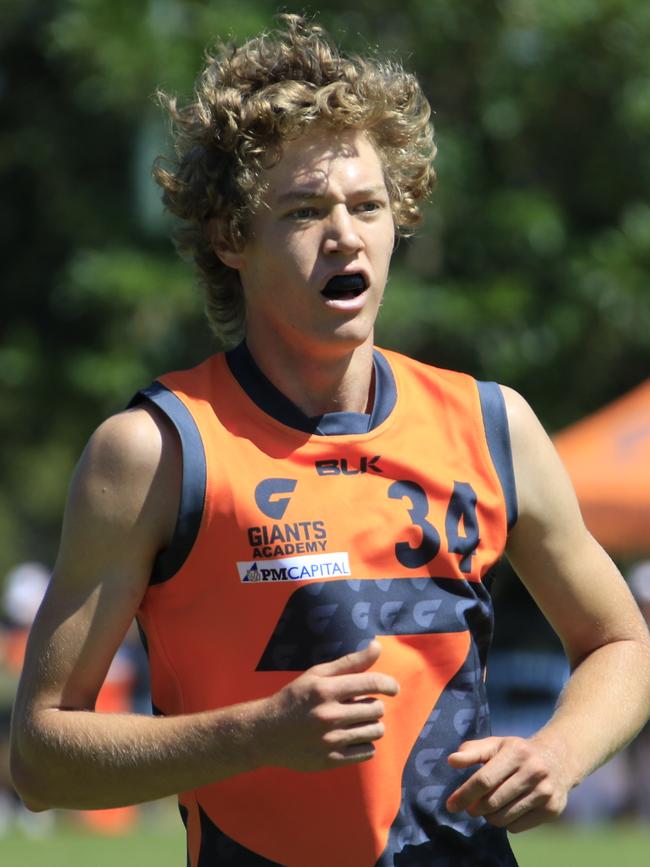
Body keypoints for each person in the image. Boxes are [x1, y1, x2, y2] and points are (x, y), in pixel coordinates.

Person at [10, 15, 650, 867]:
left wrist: (558, 753)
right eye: (306, 209)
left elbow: (621, 642)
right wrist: (260, 732)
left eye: (369, 205)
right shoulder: (155, 453)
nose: (346, 234)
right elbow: (41, 758)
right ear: (232, 238)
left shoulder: (493, 424)